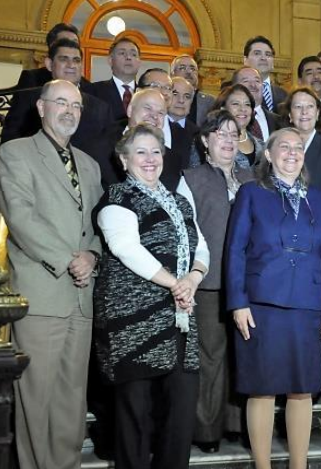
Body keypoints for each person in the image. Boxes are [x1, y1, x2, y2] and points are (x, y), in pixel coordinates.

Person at [0, 79, 103, 469]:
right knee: (35, 398)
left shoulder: (89, 165)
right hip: (42, 294)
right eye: (61, 102)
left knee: (72, 399)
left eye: (76, 105)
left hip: (80, 295)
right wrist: (66, 259)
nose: (70, 111)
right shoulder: (16, 153)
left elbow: (95, 226)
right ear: (41, 108)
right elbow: (21, 217)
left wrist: (91, 255)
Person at [94, 124, 210, 469]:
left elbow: (201, 246)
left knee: (180, 413)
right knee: (136, 417)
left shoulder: (178, 201)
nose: (149, 159)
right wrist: (175, 283)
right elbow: (125, 247)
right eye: (140, 152)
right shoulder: (117, 197)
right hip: (134, 322)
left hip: (178, 320)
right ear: (124, 160)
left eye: (155, 151)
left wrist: (193, 277)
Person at [225, 127, 321, 469]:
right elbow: (235, 251)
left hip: (308, 306)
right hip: (261, 306)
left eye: (298, 148)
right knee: (261, 389)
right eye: (284, 147)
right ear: (270, 155)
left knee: (302, 389)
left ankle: (298, 465)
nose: (292, 153)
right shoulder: (251, 193)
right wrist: (238, 302)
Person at [183, 110, 255, 454]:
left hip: (249, 285)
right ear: (205, 141)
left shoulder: (252, 178)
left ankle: (237, 424)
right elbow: (185, 233)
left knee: (244, 355)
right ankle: (206, 428)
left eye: (233, 134)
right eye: (220, 134)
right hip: (209, 282)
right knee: (210, 356)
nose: (227, 141)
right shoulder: (192, 177)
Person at [0, 38, 117, 186]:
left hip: (87, 187)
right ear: (49, 64)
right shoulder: (29, 99)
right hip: (38, 182)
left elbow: (108, 154)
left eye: (76, 60)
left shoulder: (101, 108)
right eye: (64, 59)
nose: (71, 65)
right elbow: (11, 138)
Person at [283, 86, 321, 194]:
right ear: (290, 115)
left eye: (310, 106)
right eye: (298, 107)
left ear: (317, 114)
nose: (304, 112)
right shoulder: (278, 149)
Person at [197, 83, 263, 168]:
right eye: (236, 104)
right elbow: (196, 176)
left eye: (247, 104)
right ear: (223, 108)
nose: (243, 109)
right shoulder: (208, 141)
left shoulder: (262, 146)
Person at [13, 23, 87, 90]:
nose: (70, 46)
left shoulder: (89, 86)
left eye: (74, 43)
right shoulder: (32, 79)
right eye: (64, 42)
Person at [88, 37, 142, 123]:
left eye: (133, 54)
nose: (128, 57)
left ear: (139, 63)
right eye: (122, 53)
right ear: (110, 60)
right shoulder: (93, 91)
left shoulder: (145, 92)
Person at [232, 66, 280, 142]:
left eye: (257, 81)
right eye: (246, 81)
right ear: (234, 87)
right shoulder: (228, 118)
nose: (253, 85)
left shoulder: (279, 121)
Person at [243, 35, 287, 112]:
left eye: (268, 54)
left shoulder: (284, 95)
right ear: (245, 60)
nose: (263, 58)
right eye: (257, 53)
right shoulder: (236, 90)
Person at [171, 54, 215, 126]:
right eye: (182, 68)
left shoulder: (209, 101)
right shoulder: (164, 97)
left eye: (192, 69)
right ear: (172, 74)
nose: (188, 72)